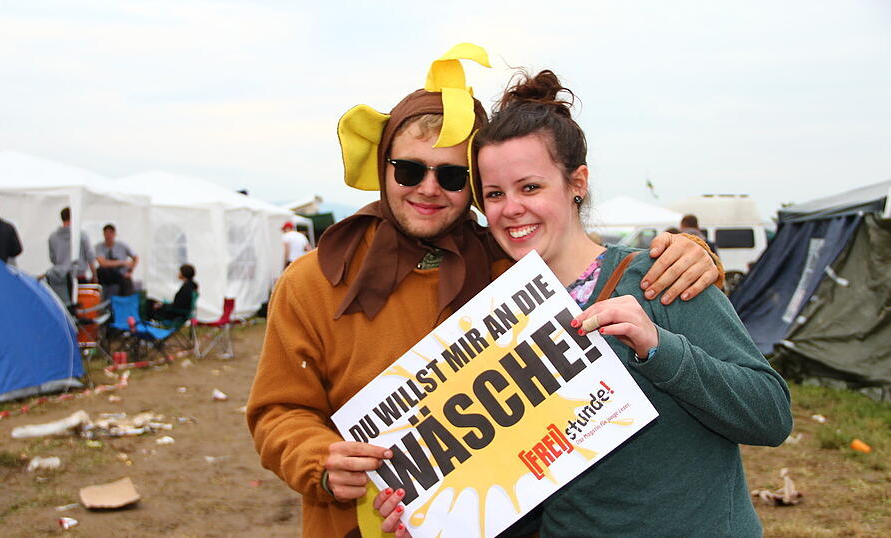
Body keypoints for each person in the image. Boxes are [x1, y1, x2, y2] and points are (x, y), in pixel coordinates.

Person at [246, 45, 721, 538]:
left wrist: (688, 255)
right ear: (384, 167)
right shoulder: (313, 280)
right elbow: (277, 410)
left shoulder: (512, 267)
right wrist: (320, 459)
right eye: (409, 169)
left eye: (452, 176)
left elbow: (596, 266)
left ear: (474, 185)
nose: (429, 188)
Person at [376, 70, 791, 537]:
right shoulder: (502, 319)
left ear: (577, 183)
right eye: (494, 194)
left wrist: (659, 347)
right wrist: (433, 520)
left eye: (530, 187)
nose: (511, 208)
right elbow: (532, 486)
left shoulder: (659, 276)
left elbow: (770, 417)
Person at [46, 207, 98, 305]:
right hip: (79, 277)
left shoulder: (52, 237)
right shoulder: (81, 235)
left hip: (59, 279)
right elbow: (90, 256)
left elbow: (52, 258)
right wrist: (95, 275)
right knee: (81, 309)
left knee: (63, 307)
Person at [95, 224, 138, 296]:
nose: (108, 236)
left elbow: (136, 258)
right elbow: (102, 263)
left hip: (121, 276)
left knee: (127, 283)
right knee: (100, 270)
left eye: (110, 233)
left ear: (115, 234)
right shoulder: (99, 247)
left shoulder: (122, 246)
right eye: (106, 233)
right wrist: (122, 263)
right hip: (106, 277)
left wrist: (130, 271)